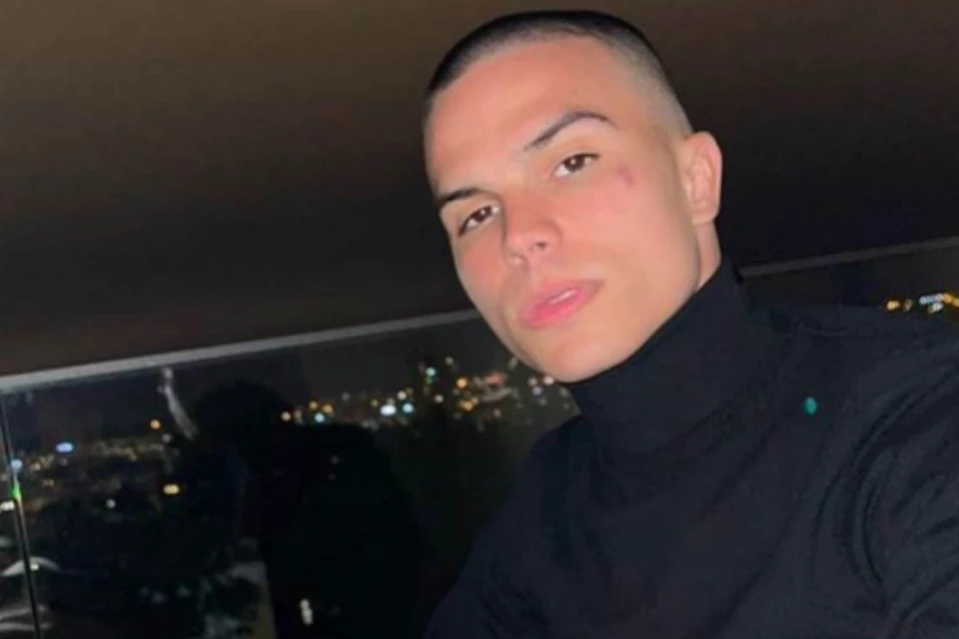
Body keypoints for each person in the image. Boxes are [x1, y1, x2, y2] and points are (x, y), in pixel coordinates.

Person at [420, 9, 959, 638]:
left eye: (571, 162)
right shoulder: (543, 511)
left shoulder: (917, 410)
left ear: (697, 180)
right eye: (475, 215)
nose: (518, 236)